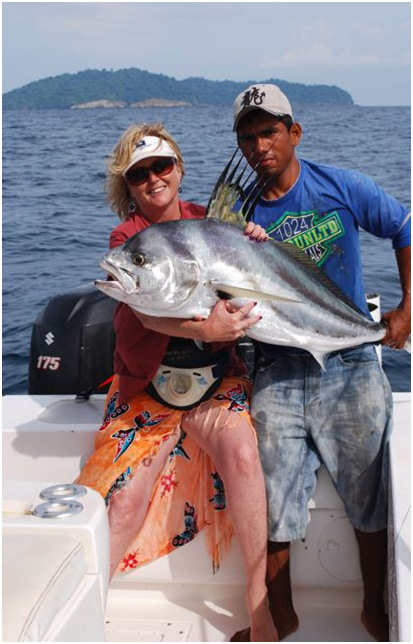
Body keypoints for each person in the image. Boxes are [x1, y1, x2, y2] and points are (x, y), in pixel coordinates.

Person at [76, 123, 278, 642]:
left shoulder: (211, 223)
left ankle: (260, 608)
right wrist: (205, 329)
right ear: (128, 184)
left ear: (179, 168)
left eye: (161, 166)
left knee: (244, 456)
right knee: (123, 501)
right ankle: (84, 616)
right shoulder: (128, 239)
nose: (153, 178)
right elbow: (144, 312)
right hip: (146, 386)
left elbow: (250, 282)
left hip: (215, 381)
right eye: (139, 173)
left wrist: (254, 241)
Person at [229, 84, 411, 642]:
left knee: (368, 493)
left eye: (270, 132)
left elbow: (404, 226)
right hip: (278, 366)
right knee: (270, 498)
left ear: (295, 132)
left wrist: (408, 307)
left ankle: (375, 612)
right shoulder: (240, 216)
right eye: (248, 138)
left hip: (351, 358)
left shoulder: (341, 186)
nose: (260, 146)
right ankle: (280, 616)